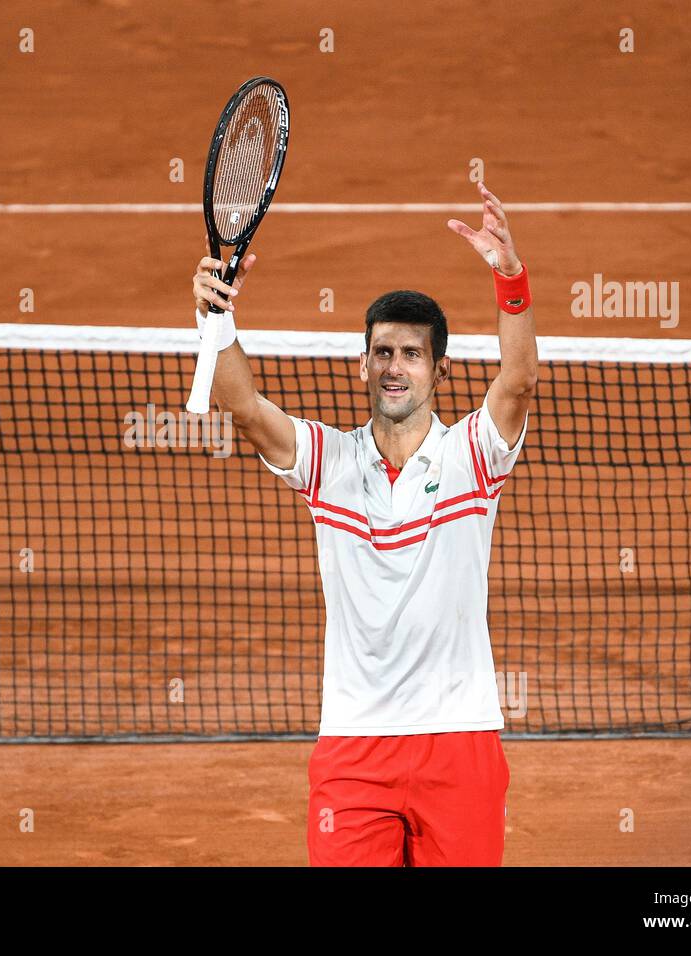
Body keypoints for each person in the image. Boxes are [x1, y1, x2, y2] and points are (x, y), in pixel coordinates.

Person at [190, 182, 537, 866]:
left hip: (458, 740)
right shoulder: (331, 460)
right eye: (382, 352)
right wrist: (215, 318)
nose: (394, 367)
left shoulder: (472, 455)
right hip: (354, 747)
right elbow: (246, 409)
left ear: (439, 368)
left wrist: (509, 279)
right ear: (362, 365)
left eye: (411, 354)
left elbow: (519, 380)